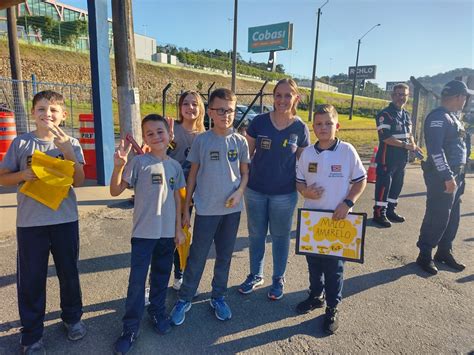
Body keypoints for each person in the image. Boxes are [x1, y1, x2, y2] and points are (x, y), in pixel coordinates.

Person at [0, 90, 86, 354]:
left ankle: (72, 318)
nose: (47, 114)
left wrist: (68, 153)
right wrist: (23, 174)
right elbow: (3, 177)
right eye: (41, 109)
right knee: (31, 278)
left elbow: (78, 181)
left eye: (53, 110)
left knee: (68, 273)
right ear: (33, 112)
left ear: (63, 115)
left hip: (64, 220)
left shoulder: (71, 142)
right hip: (31, 223)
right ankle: (32, 334)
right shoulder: (22, 144)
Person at [170, 88, 250, 325]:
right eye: (220, 110)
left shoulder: (240, 142)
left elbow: (245, 174)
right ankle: (185, 298)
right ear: (211, 112)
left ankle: (218, 296)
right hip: (205, 210)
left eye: (230, 110)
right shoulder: (202, 141)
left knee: (224, 257)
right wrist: (185, 209)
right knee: (197, 256)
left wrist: (239, 193)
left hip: (231, 212)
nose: (226, 114)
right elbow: (192, 176)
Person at [110, 114, 186, 353]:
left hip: (166, 235)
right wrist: (119, 166)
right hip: (143, 234)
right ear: (144, 138)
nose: (156, 136)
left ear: (169, 134)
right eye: (150, 133)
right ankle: (130, 327)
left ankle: (157, 312)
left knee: (161, 277)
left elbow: (177, 199)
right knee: (137, 282)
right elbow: (115, 191)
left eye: (160, 131)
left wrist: (178, 231)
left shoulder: (174, 167)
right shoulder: (139, 163)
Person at [295, 104, 366, 334]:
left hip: (338, 221)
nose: (323, 127)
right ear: (313, 127)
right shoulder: (307, 154)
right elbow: (299, 182)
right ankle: (315, 296)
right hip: (314, 222)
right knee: (314, 263)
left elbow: (360, 180)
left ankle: (332, 307)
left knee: (334, 268)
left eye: (328, 123)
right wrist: (305, 192)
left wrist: (348, 203)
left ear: (337, 125)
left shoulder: (347, 151)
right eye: (318, 124)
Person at [238, 78, 310, 300]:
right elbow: (245, 156)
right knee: (256, 235)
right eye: (278, 95)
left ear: (296, 98)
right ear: (273, 97)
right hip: (255, 190)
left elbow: (306, 164)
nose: (282, 100)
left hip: (284, 194)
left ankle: (278, 277)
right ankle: (255, 274)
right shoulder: (259, 122)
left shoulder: (300, 127)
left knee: (280, 237)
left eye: (288, 95)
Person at [416, 80, 472, 275]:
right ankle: (425, 254)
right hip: (443, 175)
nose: (466, 100)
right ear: (458, 97)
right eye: (465, 96)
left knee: (452, 216)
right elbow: (435, 150)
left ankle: (444, 251)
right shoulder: (438, 117)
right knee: (437, 215)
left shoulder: (452, 117)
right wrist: (447, 176)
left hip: (457, 173)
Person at [166, 90, 206, 291]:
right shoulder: (172, 131)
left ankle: (181, 275)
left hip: (198, 194)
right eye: (186, 104)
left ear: (201, 109)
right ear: (180, 107)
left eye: (195, 104)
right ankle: (165, 278)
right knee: (170, 234)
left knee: (187, 234)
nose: (190, 108)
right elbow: (160, 155)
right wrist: (168, 140)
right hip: (174, 191)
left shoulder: (205, 135)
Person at [373, 83, 423, 228]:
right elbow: (385, 137)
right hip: (387, 158)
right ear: (392, 95)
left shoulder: (406, 115)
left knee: (397, 185)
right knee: (384, 185)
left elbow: (410, 135)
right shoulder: (385, 114)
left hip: (402, 159)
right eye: (398, 94)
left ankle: (390, 210)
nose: (401, 97)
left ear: (408, 97)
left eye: (404, 95)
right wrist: (405, 145)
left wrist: (413, 145)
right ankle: (379, 213)